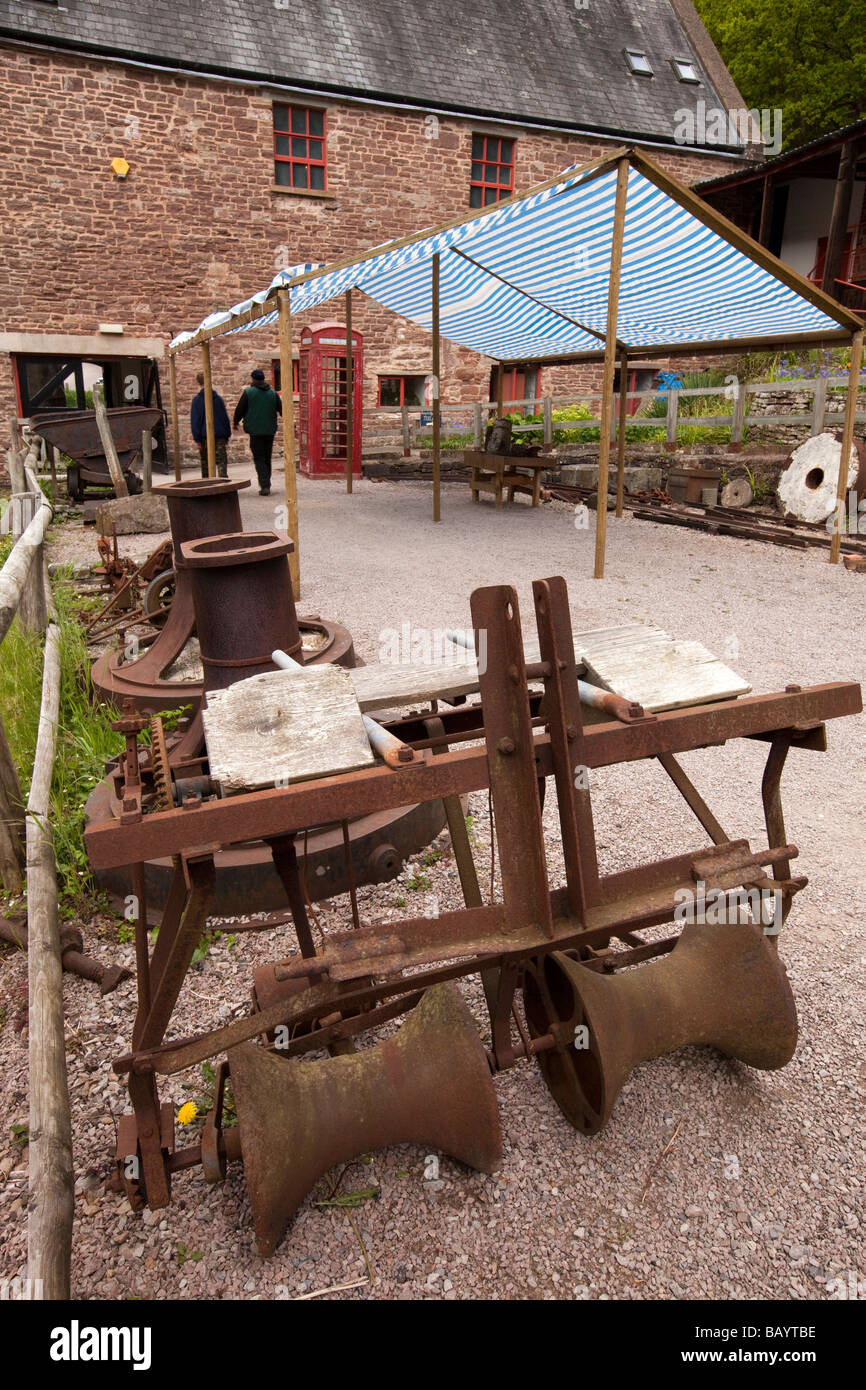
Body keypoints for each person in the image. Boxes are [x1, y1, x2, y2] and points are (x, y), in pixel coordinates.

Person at [233, 368, 281, 496]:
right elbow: (281, 408)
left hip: (255, 431)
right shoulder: (272, 393)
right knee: (267, 458)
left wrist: (235, 422)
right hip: (269, 430)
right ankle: (267, 483)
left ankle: (264, 485)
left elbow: (240, 409)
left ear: (253, 379)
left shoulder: (248, 392)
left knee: (259, 458)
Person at [190, 371, 231, 478]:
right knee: (221, 461)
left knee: (205, 463)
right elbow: (224, 418)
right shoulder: (218, 399)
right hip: (220, 435)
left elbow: (195, 420)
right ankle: (223, 485)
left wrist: (197, 438)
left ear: (198, 383)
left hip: (204, 437)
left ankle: (207, 484)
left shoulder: (197, 400)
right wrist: (227, 434)